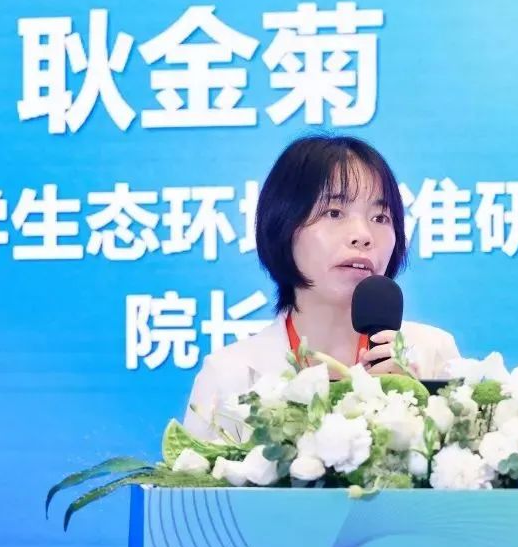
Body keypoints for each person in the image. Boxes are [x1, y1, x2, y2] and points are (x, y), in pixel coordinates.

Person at [183, 135, 460, 441]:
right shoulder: (229, 376)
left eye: (380, 217)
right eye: (334, 213)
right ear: (283, 225)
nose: (363, 235)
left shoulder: (434, 354)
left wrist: (411, 405)